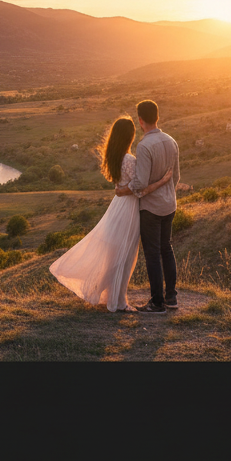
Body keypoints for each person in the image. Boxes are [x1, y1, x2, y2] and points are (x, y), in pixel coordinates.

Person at [49, 116, 173, 313]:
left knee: (115, 255)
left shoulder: (115, 157)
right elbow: (140, 189)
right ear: (129, 136)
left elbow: (125, 187)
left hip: (118, 206)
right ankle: (118, 302)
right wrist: (163, 181)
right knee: (124, 256)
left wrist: (124, 190)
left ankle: (108, 295)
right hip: (129, 210)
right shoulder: (129, 160)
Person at [116, 99, 180, 314]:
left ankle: (157, 303)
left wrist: (124, 190)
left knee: (152, 253)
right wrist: (166, 191)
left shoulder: (144, 146)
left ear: (141, 120)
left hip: (151, 207)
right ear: (157, 117)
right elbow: (176, 176)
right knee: (166, 248)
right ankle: (171, 297)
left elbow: (140, 183)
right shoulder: (171, 141)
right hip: (169, 204)